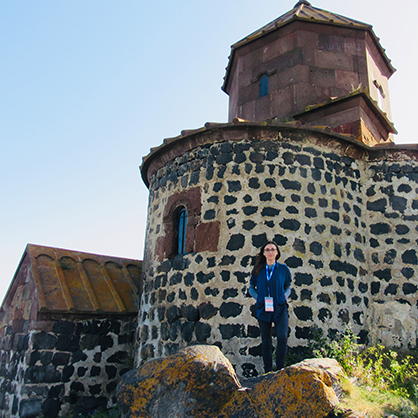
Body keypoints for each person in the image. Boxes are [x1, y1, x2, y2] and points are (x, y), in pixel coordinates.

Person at [249, 241, 291, 373]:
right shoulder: (258, 270)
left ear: (277, 252)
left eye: (273, 249)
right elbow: (251, 287)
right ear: (263, 253)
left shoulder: (283, 269)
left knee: (282, 337)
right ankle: (268, 371)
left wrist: (284, 297)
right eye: (267, 250)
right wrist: (258, 297)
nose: (270, 252)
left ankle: (280, 370)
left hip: (280, 307)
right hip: (263, 308)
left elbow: (288, 286)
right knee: (266, 341)